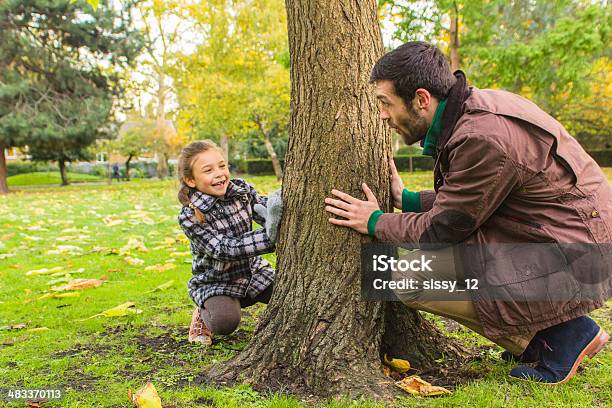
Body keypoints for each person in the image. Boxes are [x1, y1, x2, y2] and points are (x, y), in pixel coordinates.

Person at [324, 41, 610, 384]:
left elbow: (443, 230)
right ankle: (545, 338)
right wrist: (409, 199)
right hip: (560, 236)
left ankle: (563, 336)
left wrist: (373, 221)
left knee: (397, 277)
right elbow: (477, 197)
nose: (382, 115)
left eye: (386, 103)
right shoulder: (475, 111)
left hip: (570, 251)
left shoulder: (482, 138)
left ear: (421, 98)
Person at [177, 140, 282, 345]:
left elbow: (265, 212)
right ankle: (203, 311)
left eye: (222, 166)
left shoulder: (240, 190)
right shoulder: (190, 216)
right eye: (208, 170)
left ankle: (240, 298)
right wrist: (269, 238)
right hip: (218, 281)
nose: (219, 173)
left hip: (252, 272)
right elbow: (224, 248)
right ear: (191, 180)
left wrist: (276, 214)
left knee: (290, 293)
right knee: (225, 322)